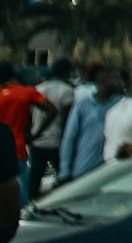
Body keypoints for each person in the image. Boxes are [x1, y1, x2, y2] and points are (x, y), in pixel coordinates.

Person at [58, 65, 122, 180]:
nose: (118, 82)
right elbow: (69, 138)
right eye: (114, 79)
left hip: (111, 169)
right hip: (85, 168)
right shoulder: (83, 106)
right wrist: (65, 171)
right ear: (103, 82)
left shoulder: (120, 104)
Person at [25, 58, 73, 199]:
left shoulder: (39, 88)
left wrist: (30, 134)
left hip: (37, 141)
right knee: (63, 178)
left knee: (34, 180)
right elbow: (66, 119)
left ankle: (30, 206)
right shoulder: (67, 91)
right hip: (57, 142)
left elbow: (30, 114)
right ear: (67, 72)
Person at [0, 63, 47, 201]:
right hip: (17, 148)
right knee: (21, 194)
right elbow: (51, 109)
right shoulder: (27, 92)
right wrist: (35, 134)